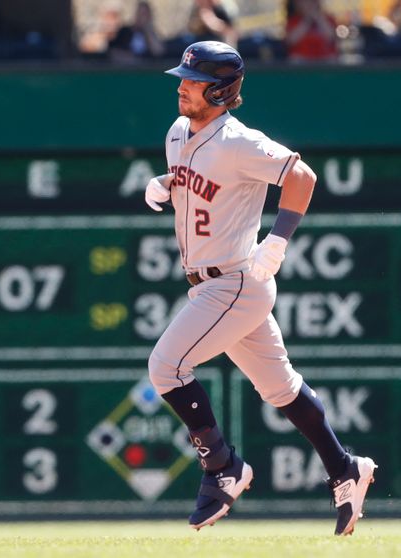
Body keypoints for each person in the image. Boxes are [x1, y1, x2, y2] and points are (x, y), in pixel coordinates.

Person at [143, 41, 377, 535]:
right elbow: (209, 180)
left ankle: (223, 467)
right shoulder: (178, 131)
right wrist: (170, 182)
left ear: (223, 90)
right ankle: (345, 469)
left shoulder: (238, 140)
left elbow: (302, 175)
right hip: (213, 285)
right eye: (182, 76)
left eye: (193, 79)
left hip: (233, 283)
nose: (182, 85)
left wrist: (278, 239)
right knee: (281, 388)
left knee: (166, 367)